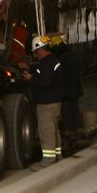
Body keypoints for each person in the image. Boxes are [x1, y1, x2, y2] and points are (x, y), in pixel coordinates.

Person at [22, 34, 62, 168]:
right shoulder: (52, 61)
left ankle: (48, 161)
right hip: (55, 102)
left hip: (46, 104)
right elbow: (41, 71)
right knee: (54, 131)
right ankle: (57, 156)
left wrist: (31, 79)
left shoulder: (47, 64)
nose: (36, 55)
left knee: (46, 132)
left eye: (36, 52)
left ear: (41, 50)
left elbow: (45, 81)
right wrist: (29, 68)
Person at [51, 34, 84, 149]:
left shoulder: (62, 59)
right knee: (75, 109)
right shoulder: (74, 55)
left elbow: (60, 75)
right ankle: (78, 130)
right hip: (76, 89)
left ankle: (71, 133)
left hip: (66, 90)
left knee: (67, 112)